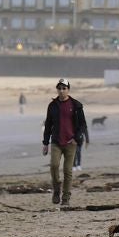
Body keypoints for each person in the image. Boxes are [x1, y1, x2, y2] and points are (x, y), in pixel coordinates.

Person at [42, 79, 87, 207]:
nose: (61, 91)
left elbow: (83, 125)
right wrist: (45, 143)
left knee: (68, 171)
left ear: (68, 89)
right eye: (59, 88)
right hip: (56, 142)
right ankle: (56, 191)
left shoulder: (76, 105)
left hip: (71, 143)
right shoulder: (52, 106)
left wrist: (76, 138)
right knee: (54, 166)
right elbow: (48, 125)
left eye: (64, 88)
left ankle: (66, 197)